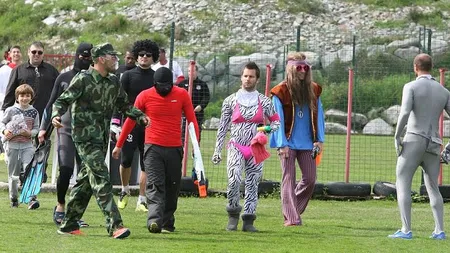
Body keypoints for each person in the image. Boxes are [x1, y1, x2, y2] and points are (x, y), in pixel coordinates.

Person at [51, 43, 149, 239]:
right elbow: (62, 100)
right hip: (84, 138)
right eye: (112, 56)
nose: (116, 59)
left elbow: (123, 104)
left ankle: (69, 224)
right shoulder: (83, 79)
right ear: (101, 59)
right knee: (102, 178)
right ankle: (115, 225)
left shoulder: (113, 81)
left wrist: (140, 116)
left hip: (102, 139)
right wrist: (56, 115)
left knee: (86, 182)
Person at [112, 67, 200, 234]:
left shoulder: (182, 95)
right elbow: (130, 120)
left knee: (172, 185)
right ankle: (154, 221)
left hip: (175, 147)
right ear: (155, 84)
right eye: (161, 86)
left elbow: (192, 121)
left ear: (172, 84)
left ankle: (167, 223)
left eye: (168, 86)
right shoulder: (144, 96)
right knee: (155, 183)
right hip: (152, 147)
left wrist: (197, 147)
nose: (165, 89)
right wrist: (119, 145)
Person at [212, 62, 280, 232]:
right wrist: (217, 150)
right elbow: (222, 127)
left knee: (252, 183)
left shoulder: (264, 101)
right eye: (245, 76)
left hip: (256, 147)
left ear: (257, 79)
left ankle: (249, 220)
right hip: (236, 146)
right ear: (241, 77)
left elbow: (277, 123)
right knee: (234, 179)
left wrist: (263, 130)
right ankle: (233, 213)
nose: (247, 79)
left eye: (251, 76)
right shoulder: (230, 101)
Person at [390, 53, 448, 240]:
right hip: (434, 142)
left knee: (403, 182)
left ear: (415, 67)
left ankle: (406, 230)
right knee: (433, 187)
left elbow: (405, 112)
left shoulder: (411, 86)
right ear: (431, 67)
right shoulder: (444, 92)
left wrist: (397, 135)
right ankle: (439, 230)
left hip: (414, 138)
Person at [38, 42, 93, 226]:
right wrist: (44, 128)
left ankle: (74, 212)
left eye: (89, 58)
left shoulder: (93, 79)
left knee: (84, 175)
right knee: (66, 170)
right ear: (77, 56)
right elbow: (51, 104)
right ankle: (60, 204)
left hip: (86, 132)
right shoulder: (64, 77)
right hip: (65, 130)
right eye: (84, 57)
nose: (86, 61)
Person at [269, 52, 325, 227]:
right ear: (291, 69)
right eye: (298, 68)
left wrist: (319, 139)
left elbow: (320, 116)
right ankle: (292, 218)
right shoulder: (280, 92)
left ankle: (292, 207)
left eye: (305, 67)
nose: (302, 71)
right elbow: (275, 119)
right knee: (288, 178)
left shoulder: (314, 89)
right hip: (287, 142)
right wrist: (281, 144)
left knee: (310, 178)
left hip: (308, 143)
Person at [113, 39, 159, 212]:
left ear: (153, 57)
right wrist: (116, 123)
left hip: (149, 125)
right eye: (141, 55)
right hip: (130, 124)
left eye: (148, 55)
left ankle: (142, 198)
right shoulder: (128, 76)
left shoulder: (156, 77)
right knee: (126, 160)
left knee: (146, 162)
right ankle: (124, 190)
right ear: (136, 56)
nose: (144, 57)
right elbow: (119, 101)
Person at [0, 84, 39, 208]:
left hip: (27, 146)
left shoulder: (34, 112)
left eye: (27, 96)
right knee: (14, 175)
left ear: (31, 97)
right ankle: (14, 198)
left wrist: (30, 133)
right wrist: (4, 131)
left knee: (29, 170)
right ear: (17, 97)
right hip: (12, 146)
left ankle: (31, 198)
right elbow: (2, 123)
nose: (25, 98)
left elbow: (36, 128)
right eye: (22, 96)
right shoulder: (11, 110)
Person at [2, 41, 59, 120]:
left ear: (43, 54)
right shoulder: (18, 70)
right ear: (28, 52)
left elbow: (59, 91)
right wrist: (5, 111)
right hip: (23, 116)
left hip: (46, 116)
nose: (36, 54)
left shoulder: (52, 70)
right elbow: (10, 93)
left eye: (40, 52)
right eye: (34, 52)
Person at [178, 65, 210, 145]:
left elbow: (206, 97)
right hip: (184, 114)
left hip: (197, 114)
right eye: (189, 71)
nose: (190, 73)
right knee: (182, 134)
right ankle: (181, 152)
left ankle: (195, 152)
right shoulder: (182, 84)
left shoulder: (202, 85)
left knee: (196, 133)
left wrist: (201, 106)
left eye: (193, 71)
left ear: (197, 72)